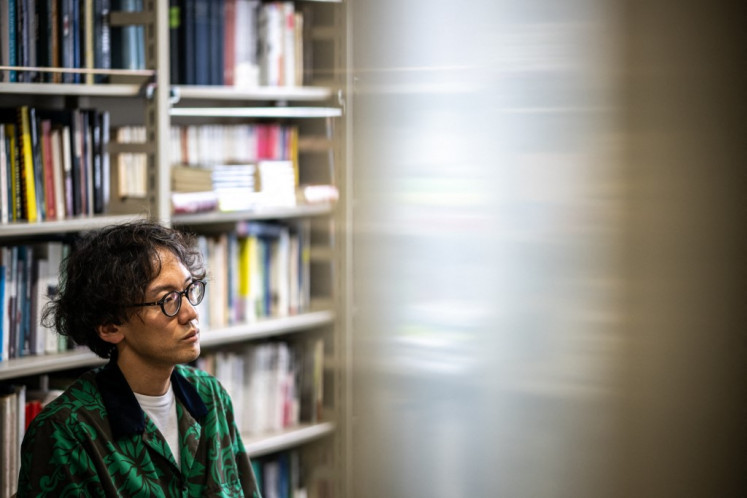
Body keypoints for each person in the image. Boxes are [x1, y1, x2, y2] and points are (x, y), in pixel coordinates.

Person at [16, 220, 261, 497]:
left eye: (189, 290)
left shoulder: (210, 396)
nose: (190, 313)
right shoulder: (66, 431)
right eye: (167, 300)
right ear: (110, 327)